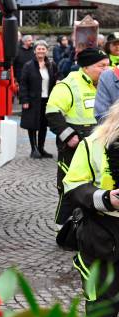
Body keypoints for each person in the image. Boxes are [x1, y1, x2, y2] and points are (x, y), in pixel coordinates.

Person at [62, 101, 119, 317]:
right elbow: (73, 186)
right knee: (100, 316)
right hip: (101, 241)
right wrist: (106, 198)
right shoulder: (93, 143)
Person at [46, 47, 109, 227]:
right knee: (70, 189)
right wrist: (70, 137)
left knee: (96, 187)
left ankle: (90, 229)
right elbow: (52, 113)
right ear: (87, 67)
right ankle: (62, 230)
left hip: (99, 143)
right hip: (74, 145)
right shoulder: (68, 84)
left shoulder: (106, 84)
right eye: (101, 66)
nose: (106, 69)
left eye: (108, 65)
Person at [19, 40, 56, 159]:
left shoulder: (51, 64)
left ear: (46, 51)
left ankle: (41, 148)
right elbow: (23, 84)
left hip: (47, 100)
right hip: (32, 100)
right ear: (35, 51)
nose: (41, 51)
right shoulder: (28, 65)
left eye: (43, 49)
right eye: (39, 49)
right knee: (32, 124)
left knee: (43, 125)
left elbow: (57, 75)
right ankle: (33, 149)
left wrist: (59, 79)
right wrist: (24, 100)